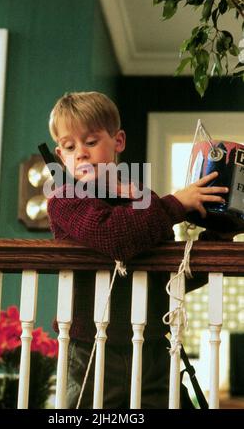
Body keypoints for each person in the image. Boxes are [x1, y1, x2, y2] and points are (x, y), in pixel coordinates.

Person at [47, 91, 229, 409]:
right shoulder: (65, 199)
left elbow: (170, 278)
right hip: (94, 346)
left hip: (154, 347)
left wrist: (221, 235)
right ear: (61, 155)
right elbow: (114, 236)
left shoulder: (143, 199)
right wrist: (176, 204)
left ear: (118, 141)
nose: (81, 154)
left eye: (90, 141)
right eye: (70, 147)